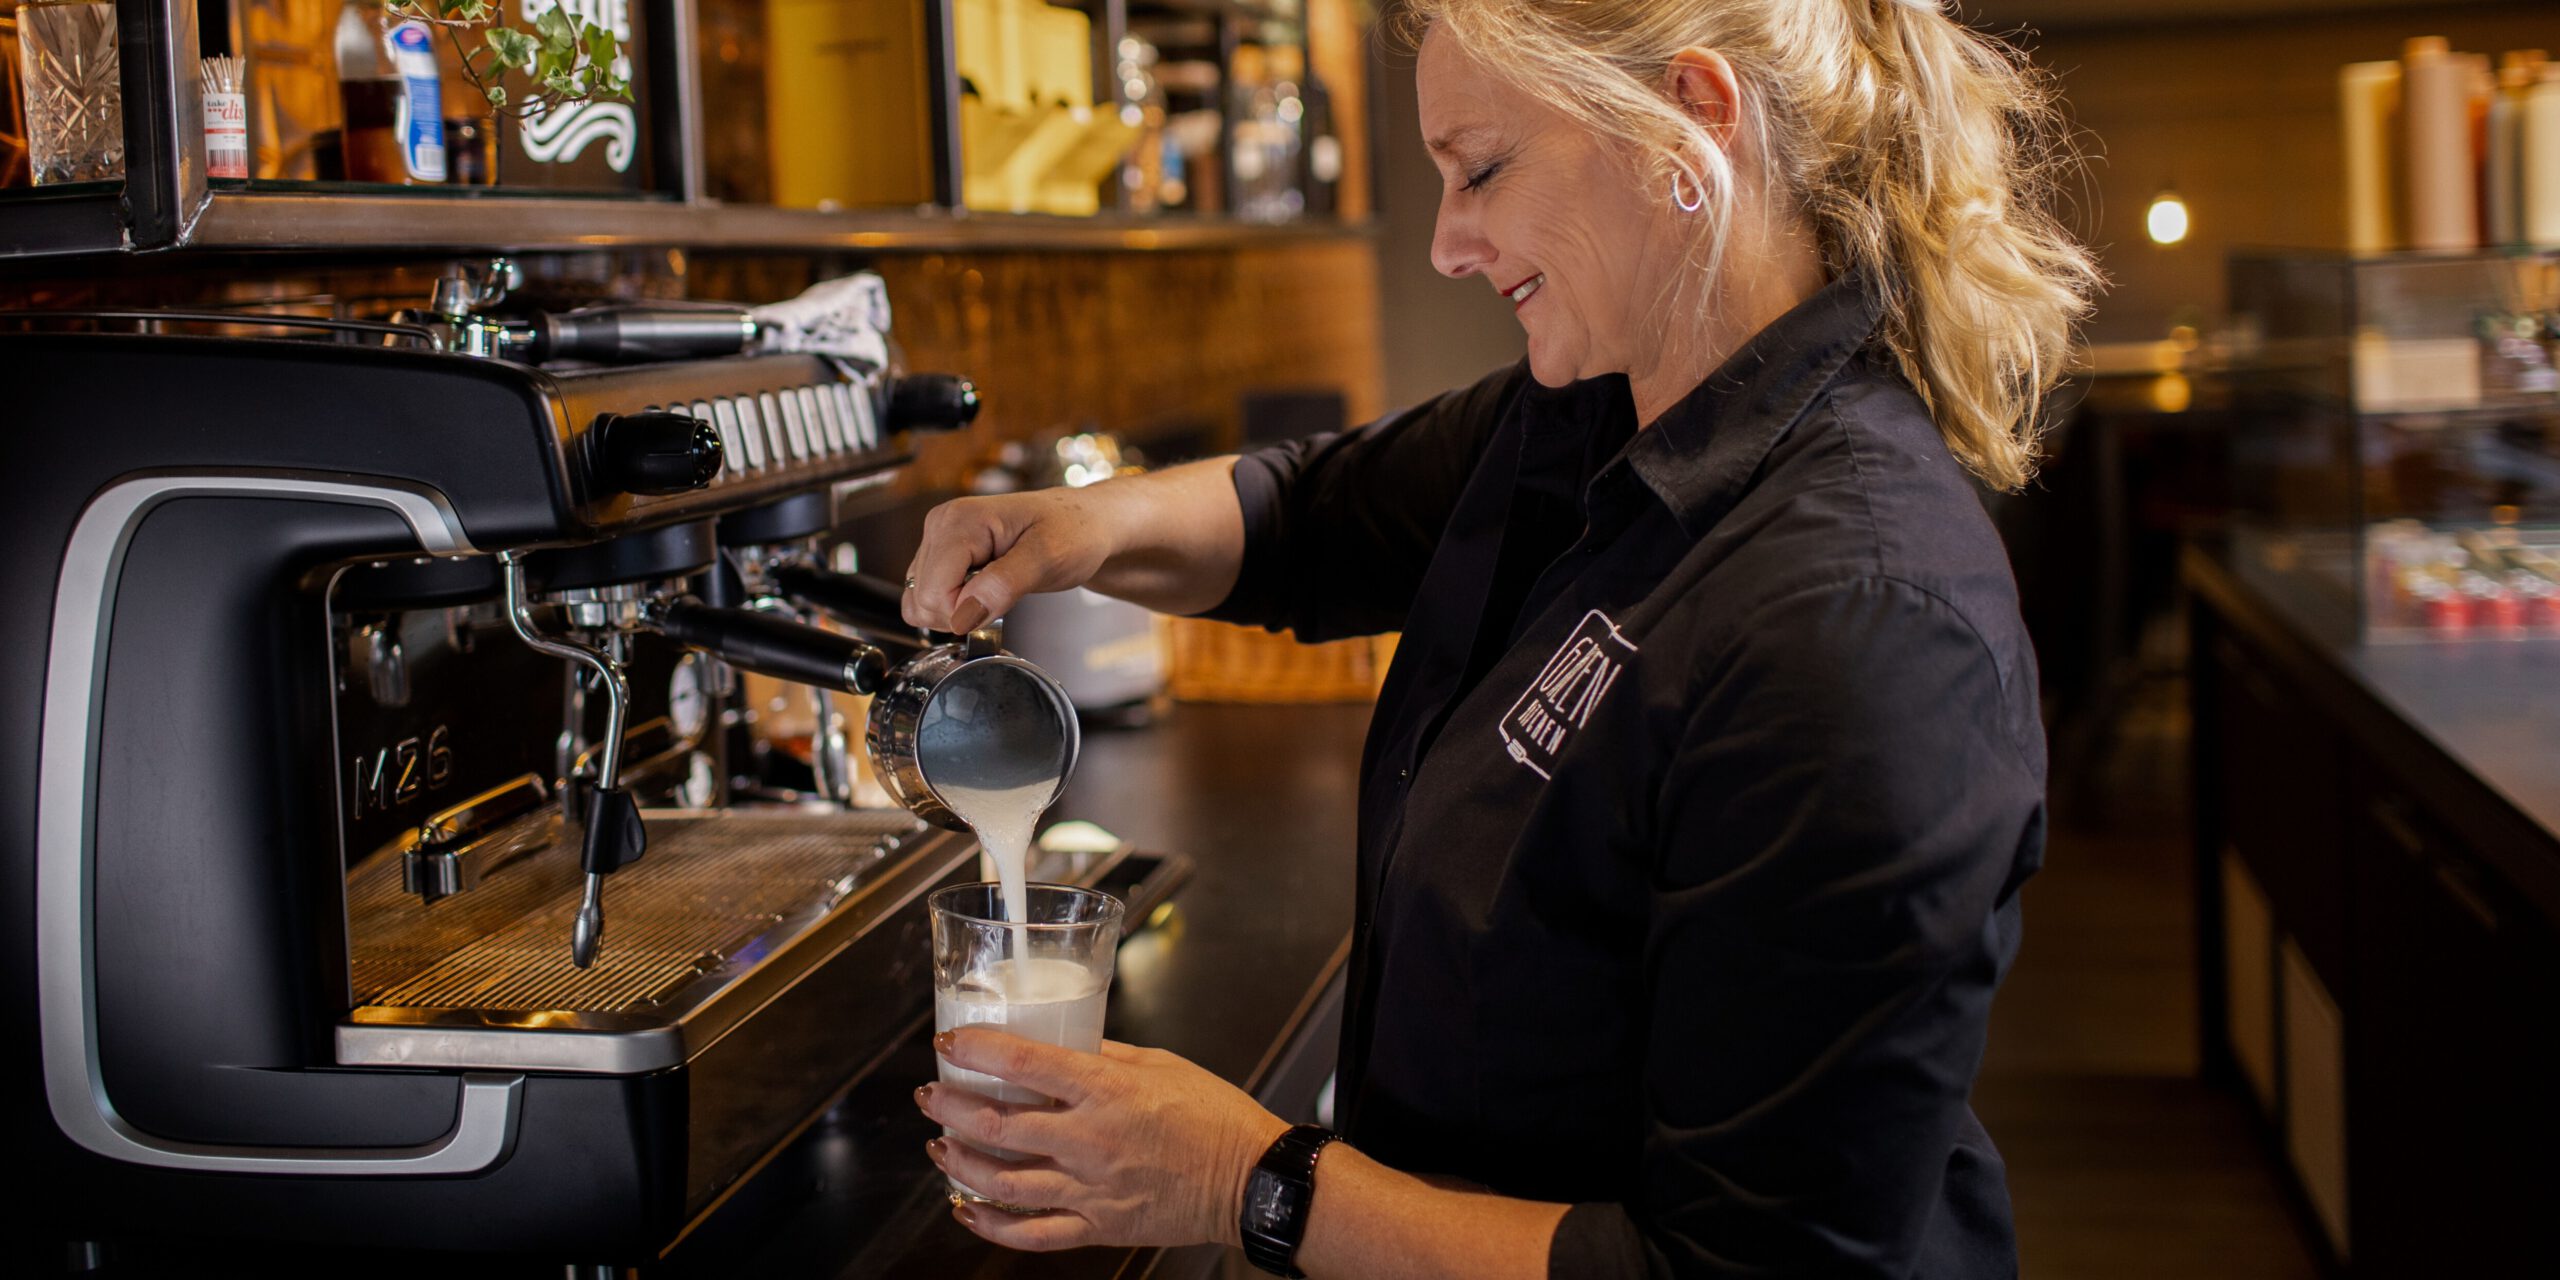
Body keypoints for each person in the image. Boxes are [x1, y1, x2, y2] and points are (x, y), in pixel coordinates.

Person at [905, 0, 2099, 1274]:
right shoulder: (1601, 403)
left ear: (1690, 119)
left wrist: (1239, 1176)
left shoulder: (1856, 623)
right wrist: (1072, 530)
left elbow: (1739, 1266)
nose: (1447, 244)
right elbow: (1314, 512)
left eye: (1480, 169)